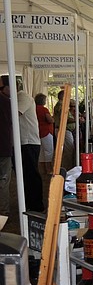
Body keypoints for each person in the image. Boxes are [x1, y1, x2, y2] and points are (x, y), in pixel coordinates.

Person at [15, 81, 43, 212]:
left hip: (28, 142)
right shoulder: (16, 98)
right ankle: (28, 202)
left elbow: (15, 114)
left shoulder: (23, 97)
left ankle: (37, 205)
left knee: (31, 174)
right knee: (24, 175)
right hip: (21, 142)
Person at [35, 94, 55, 209]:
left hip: (38, 132)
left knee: (41, 152)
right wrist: (52, 119)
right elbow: (49, 119)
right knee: (48, 151)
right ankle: (48, 169)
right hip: (46, 132)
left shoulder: (34, 108)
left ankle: (42, 169)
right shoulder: (43, 109)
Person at [0, 78, 13, 216]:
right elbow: (12, 120)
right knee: (4, 178)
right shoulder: (6, 102)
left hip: (4, 144)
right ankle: (3, 211)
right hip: (4, 145)